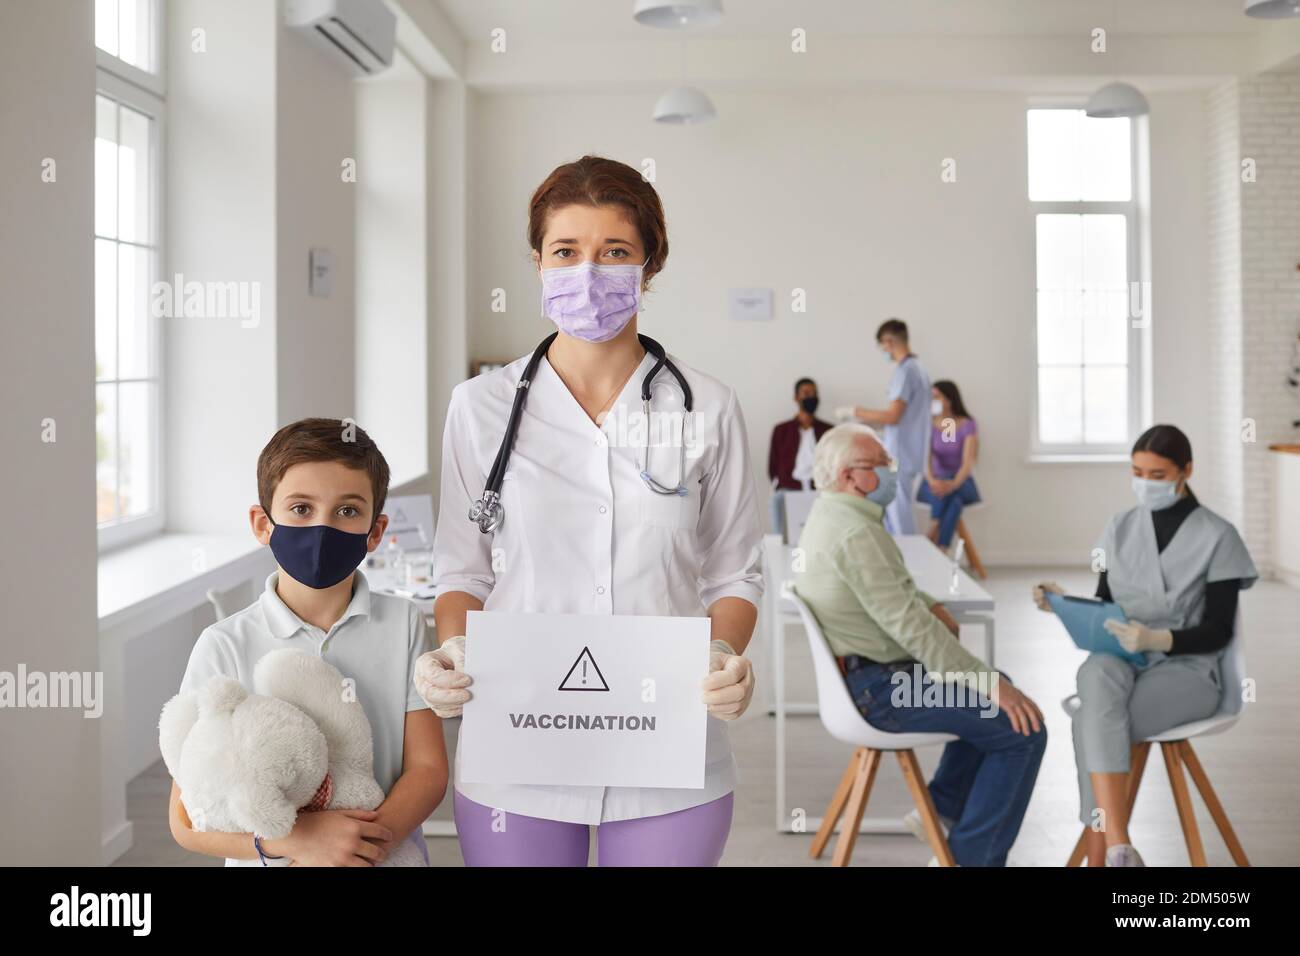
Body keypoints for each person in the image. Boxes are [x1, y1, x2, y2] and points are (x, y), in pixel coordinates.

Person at [416, 155, 763, 867]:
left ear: (649, 265)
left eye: (615, 253)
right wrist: (452, 650)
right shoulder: (481, 408)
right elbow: (463, 568)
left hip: (669, 748)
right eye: (566, 252)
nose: (588, 272)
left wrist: (725, 654)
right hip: (518, 740)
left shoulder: (709, 407)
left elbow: (734, 573)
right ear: (539, 262)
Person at [169, 418, 447, 866]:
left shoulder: (404, 623)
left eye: (347, 510)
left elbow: (429, 771)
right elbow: (186, 817)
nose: (323, 528)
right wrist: (292, 843)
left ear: (375, 532)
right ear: (263, 524)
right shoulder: (222, 644)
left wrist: (360, 847)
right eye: (301, 509)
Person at [795, 422, 1046, 866]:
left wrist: (930, 605)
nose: (893, 472)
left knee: (996, 692)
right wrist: (986, 682)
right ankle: (969, 859)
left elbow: (888, 594)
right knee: (1021, 727)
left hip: (870, 677)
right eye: (882, 465)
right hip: (880, 689)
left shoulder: (835, 515)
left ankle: (943, 811)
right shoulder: (857, 534)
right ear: (852, 476)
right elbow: (908, 625)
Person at [1034, 424, 1257, 867]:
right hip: (1122, 657)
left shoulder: (1219, 535)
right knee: (1095, 673)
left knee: (1094, 722)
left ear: (1185, 470)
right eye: (1137, 472)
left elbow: (1219, 629)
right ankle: (1119, 844)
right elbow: (1103, 603)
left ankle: (1102, 856)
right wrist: (1060, 603)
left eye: (1157, 474)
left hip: (1189, 669)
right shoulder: (1119, 526)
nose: (1145, 483)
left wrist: (1162, 639)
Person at [838, 318, 931, 534]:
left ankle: (908, 563)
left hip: (902, 456)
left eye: (881, 345)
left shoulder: (906, 371)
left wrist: (856, 411)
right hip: (911, 453)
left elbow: (893, 416)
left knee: (900, 519)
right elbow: (903, 418)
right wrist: (867, 422)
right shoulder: (919, 369)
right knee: (895, 515)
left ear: (888, 341)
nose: (882, 350)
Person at [916, 379, 981, 548]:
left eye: (937, 397)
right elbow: (926, 461)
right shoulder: (929, 425)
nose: (932, 401)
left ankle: (934, 528)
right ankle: (942, 547)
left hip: (961, 483)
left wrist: (952, 484)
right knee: (954, 502)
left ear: (949, 399)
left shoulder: (962, 424)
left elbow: (967, 463)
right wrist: (932, 480)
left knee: (951, 491)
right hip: (934, 484)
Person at [767, 376, 832, 535]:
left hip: (819, 490)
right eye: (806, 393)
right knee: (777, 499)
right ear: (796, 397)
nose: (812, 397)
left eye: (815, 393)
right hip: (789, 488)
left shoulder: (827, 430)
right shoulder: (782, 430)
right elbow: (773, 465)